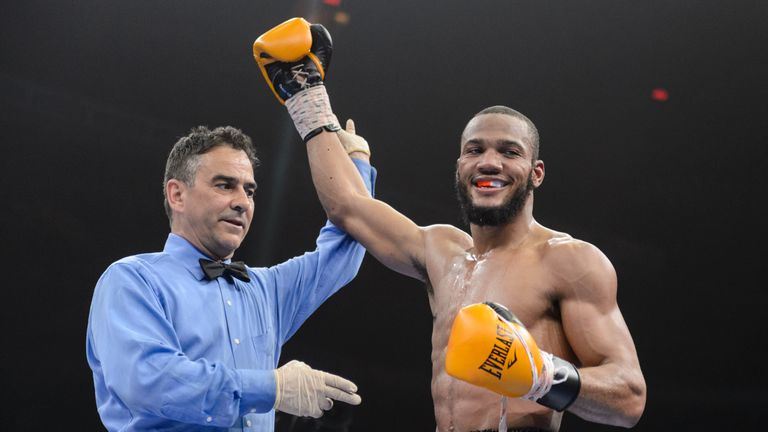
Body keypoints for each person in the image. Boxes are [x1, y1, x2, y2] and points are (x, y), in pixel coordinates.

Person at [254, 17, 647, 432]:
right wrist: (307, 97)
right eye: (474, 150)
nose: (489, 162)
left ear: (537, 173)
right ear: (459, 166)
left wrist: (541, 375)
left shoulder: (570, 261)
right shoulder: (441, 251)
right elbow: (349, 207)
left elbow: (629, 396)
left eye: (509, 152)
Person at [85, 123, 376, 431]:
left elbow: (344, 252)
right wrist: (271, 387)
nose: (242, 201)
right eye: (225, 185)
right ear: (177, 195)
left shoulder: (264, 290)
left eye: (249, 190)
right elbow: (148, 380)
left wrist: (356, 163)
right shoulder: (132, 280)